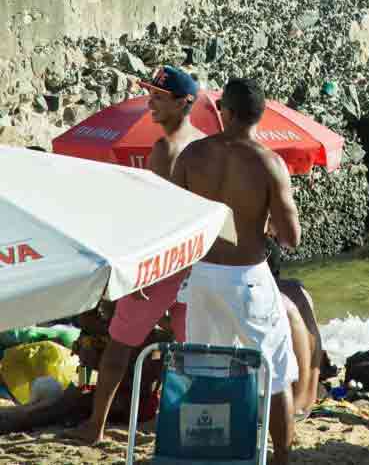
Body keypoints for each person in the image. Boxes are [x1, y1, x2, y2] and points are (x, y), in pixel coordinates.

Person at [173, 77, 302, 465]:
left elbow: (177, 222)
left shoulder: (191, 156)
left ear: (223, 113)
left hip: (201, 276)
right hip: (247, 277)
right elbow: (291, 236)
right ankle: (281, 457)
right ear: (260, 115)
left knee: (203, 367)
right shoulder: (268, 162)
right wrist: (264, 223)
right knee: (274, 372)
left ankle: (205, 451)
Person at [72, 66, 204, 445]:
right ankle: (187, 426)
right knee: (190, 353)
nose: (151, 103)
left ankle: (95, 427)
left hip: (164, 263)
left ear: (184, 102)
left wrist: (141, 270)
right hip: (196, 263)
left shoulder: (166, 148)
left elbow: (158, 215)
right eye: (151, 95)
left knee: (119, 345)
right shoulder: (206, 144)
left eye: (160, 98)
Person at [2, 308, 167, 436]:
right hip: (131, 405)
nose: (83, 322)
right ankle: (24, 415)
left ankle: (20, 418)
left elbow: (141, 384)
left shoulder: (127, 337)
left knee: (54, 408)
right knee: (58, 405)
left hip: (132, 406)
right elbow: (84, 381)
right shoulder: (99, 338)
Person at [266, 239, 325, 418]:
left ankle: (299, 399)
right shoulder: (296, 289)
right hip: (305, 403)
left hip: (285, 408)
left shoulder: (273, 299)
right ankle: (308, 395)